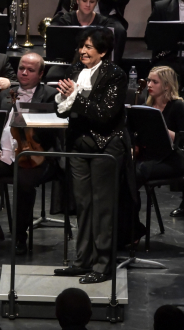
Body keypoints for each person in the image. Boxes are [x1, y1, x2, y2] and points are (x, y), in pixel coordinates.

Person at [53, 27, 137, 283]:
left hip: (106, 146)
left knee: (103, 207)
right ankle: (82, 260)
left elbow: (105, 114)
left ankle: (103, 265)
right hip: (79, 146)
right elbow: (62, 112)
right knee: (83, 205)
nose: (83, 51)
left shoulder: (115, 75)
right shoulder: (73, 70)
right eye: (82, 46)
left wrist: (75, 97)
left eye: (89, 47)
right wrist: (63, 99)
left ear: (103, 51)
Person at [0, 52, 57, 254]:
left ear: (41, 74)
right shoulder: (6, 92)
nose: (24, 73)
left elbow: (54, 133)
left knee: (24, 184)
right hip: (5, 154)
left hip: (35, 156)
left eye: (30, 70)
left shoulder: (50, 94)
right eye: (21, 68)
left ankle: (19, 236)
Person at [134, 67, 184, 218]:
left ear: (166, 85)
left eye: (154, 82)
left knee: (136, 173)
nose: (149, 84)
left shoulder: (177, 106)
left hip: (171, 159)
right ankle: (129, 222)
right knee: (123, 170)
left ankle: (133, 226)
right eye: (148, 81)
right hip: (150, 155)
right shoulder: (146, 106)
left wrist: (162, 127)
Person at [51, 0, 128, 62]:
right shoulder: (65, 20)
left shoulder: (105, 22)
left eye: (92, 1)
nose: (88, 5)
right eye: (84, 1)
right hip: (68, 64)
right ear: (77, 0)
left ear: (96, 2)